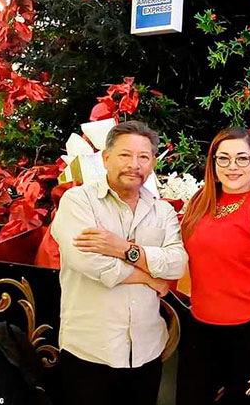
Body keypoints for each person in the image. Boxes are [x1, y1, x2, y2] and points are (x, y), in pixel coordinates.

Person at [51, 121, 188, 405]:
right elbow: (90, 262)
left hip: (147, 351)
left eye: (143, 157)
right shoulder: (79, 201)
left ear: (152, 163)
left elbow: (176, 264)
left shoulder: (162, 210)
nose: (134, 165)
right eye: (125, 155)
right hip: (91, 351)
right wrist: (149, 276)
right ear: (106, 158)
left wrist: (123, 248)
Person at [177, 127, 250, 405]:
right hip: (198, 328)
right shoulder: (199, 203)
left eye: (242, 158)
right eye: (223, 159)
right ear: (213, 164)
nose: (232, 166)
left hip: (246, 334)